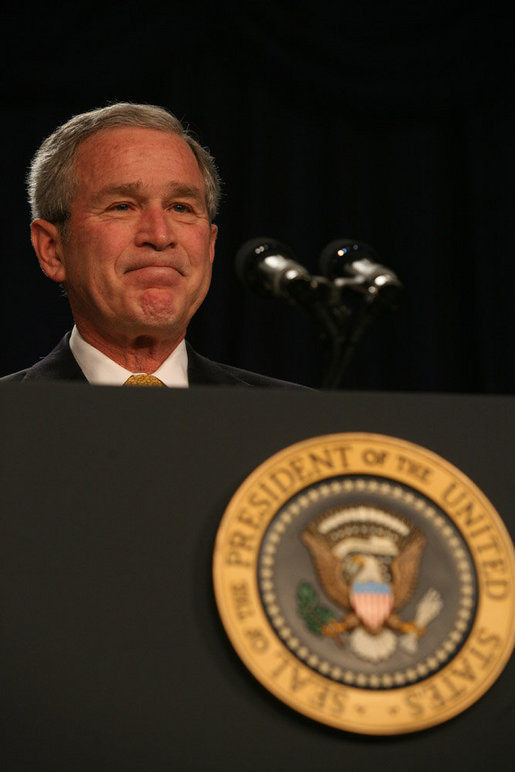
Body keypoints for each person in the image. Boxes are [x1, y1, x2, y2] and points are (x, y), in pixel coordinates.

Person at [0, 102, 303, 388]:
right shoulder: (10, 415)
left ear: (210, 247)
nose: (160, 236)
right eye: (122, 206)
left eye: (181, 208)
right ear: (52, 249)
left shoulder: (298, 421)